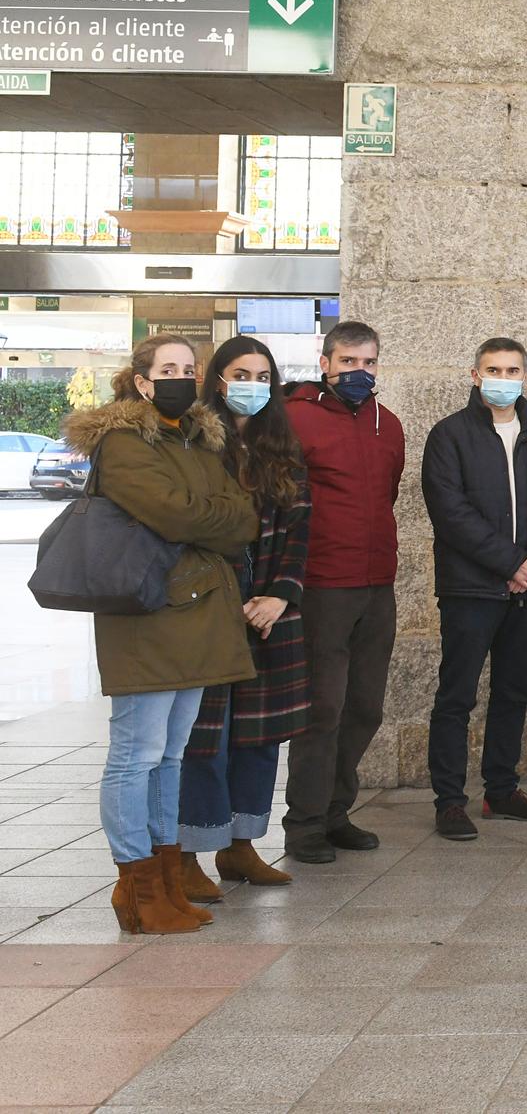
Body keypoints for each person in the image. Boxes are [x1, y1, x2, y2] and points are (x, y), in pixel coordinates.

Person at [64, 335, 259, 932]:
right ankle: (136, 886)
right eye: (167, 369)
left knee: (171, 755)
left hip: (196, 614)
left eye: (189, 369)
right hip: (146, 616)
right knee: (136, 754)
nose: (180, 377)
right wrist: (208, 518)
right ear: (142, 381)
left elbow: (243, 517)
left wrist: (208, 518)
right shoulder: (123, 443)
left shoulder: (201, 440)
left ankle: (168, 880)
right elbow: (178, 514)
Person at [421, 338, 527, 840]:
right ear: (474, 374)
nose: (502, 377)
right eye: (493, 369)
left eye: (511, 370)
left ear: (525, 376)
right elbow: (450, 511)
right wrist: (510, 563)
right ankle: (449, 801)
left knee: (513, 691)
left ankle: (502, 790)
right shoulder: (449, 435)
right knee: (456, 696)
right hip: (471, 589)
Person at [176, 336, 313, 901]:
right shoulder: (192, 443)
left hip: (266, 611)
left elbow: (300, 527)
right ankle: (186, 853)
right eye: (241, 373)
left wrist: (280, 595)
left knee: (258, 734)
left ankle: (240, 846)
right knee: (204, 735)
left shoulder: (281, 446)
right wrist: (220, 598)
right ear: (217, 379)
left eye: (262, 375)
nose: (252, 385)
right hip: (207, 609)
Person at [283, 320, 406, 865]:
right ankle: (304, 823)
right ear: (326, 361)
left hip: (377, 584)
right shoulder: (295, 418)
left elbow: (388, 495)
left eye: (369, 363)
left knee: (365, 707)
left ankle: (337, 811)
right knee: (322, 709)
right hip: (322, 586)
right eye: (349, 362)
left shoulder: (389, 424)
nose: (360, 372)